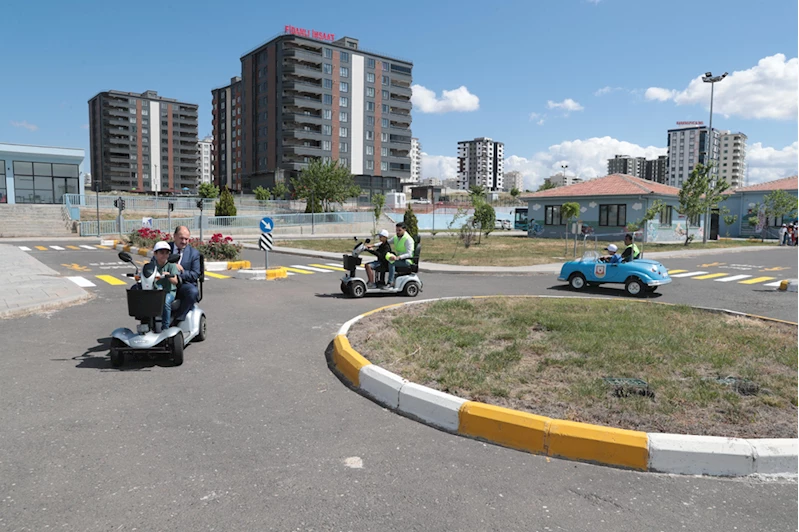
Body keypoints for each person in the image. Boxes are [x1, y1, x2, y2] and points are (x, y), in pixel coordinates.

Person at [169, 226, 202, 322]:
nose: (184, 241)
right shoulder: (165, 249)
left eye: (186, 239)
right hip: (165, 282)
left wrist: (177, 274)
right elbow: (155, 263)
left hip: (183, 284)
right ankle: (148, 321)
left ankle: (178, 319)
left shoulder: (194, 253)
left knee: (193, 292)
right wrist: (171, 266)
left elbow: (195, 274)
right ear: (174, 236)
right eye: (181, 238)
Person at [152, 241, 179, 331]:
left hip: (169, 291)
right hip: (155, 291)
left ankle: (165, 328)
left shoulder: (171, 265)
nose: (164, 255)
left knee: (165, 301)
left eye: (166, 253)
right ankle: (149, 325)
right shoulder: (152, 265)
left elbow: (175, 281)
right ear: (155, 254)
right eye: (161, 253)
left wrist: (168, 276)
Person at [387, 222, 415, 288]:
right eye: (396, 230)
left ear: (404, 230)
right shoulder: (396, 237)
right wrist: (374, 245)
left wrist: (398, 257)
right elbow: (386, 243)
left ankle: (390, 282)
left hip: (407, 261)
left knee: (391, 263)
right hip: (399, 260)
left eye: (399, 230)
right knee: (386, 260)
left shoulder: (408, 239)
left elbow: (409, 254)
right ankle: (381, 282)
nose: (397, 232)